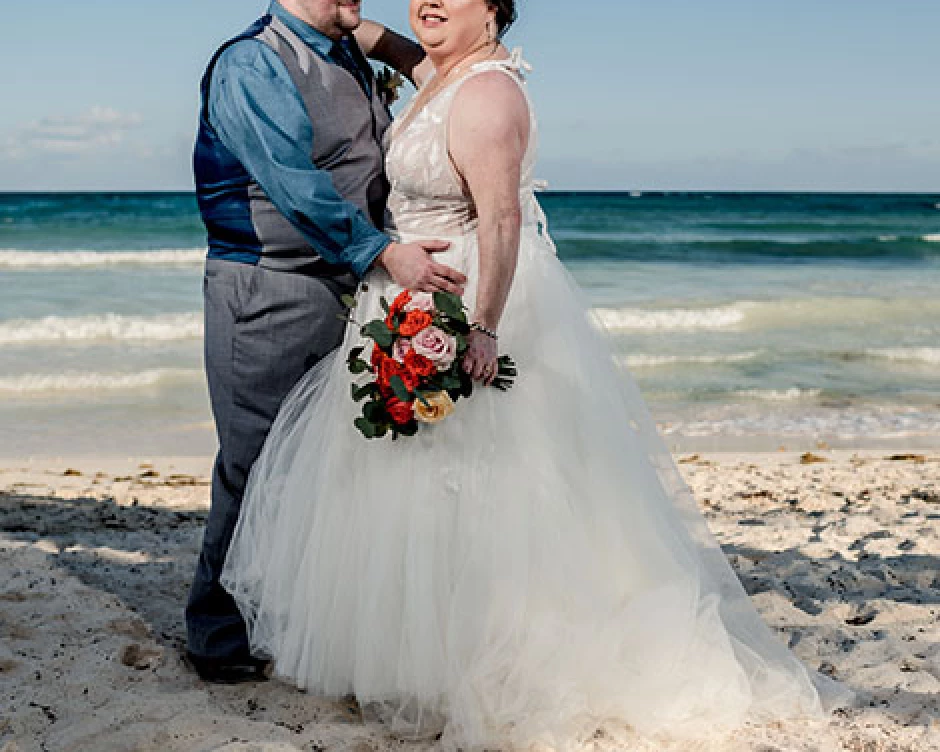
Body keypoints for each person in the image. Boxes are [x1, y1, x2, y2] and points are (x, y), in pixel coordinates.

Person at [221, 0, 854, 747]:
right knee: (406, 488)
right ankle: (416, 657)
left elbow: (502, 220)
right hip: (402, 292)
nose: (429, 1)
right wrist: (334, 13)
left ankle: (484, 660)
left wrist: (479, 328)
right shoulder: (434, 72)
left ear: (492, 10)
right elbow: (384, 38)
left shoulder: (488, 92)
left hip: (470, 295)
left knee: (485, 481)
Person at [185, 0, 468, 683]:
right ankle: (218, 636)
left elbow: (421, 68)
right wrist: (384, 254)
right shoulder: (252, 62)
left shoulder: (339, 45)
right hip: (269, 289)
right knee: (255, 463)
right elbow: (294, 185)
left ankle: (282, 617)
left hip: (342, 286)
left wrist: (376, 36)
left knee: (318, 467)